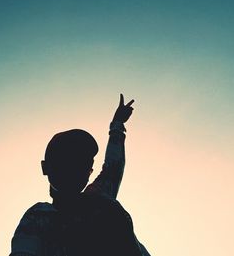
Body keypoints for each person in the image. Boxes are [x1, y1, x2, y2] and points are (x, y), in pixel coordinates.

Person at [10, 94, 151, 256]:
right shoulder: (39, 218)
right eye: (67, 161)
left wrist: (117, 126)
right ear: (47, 167)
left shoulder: (98, 201)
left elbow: (113, 168)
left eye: (84, 165)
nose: (76, 171)